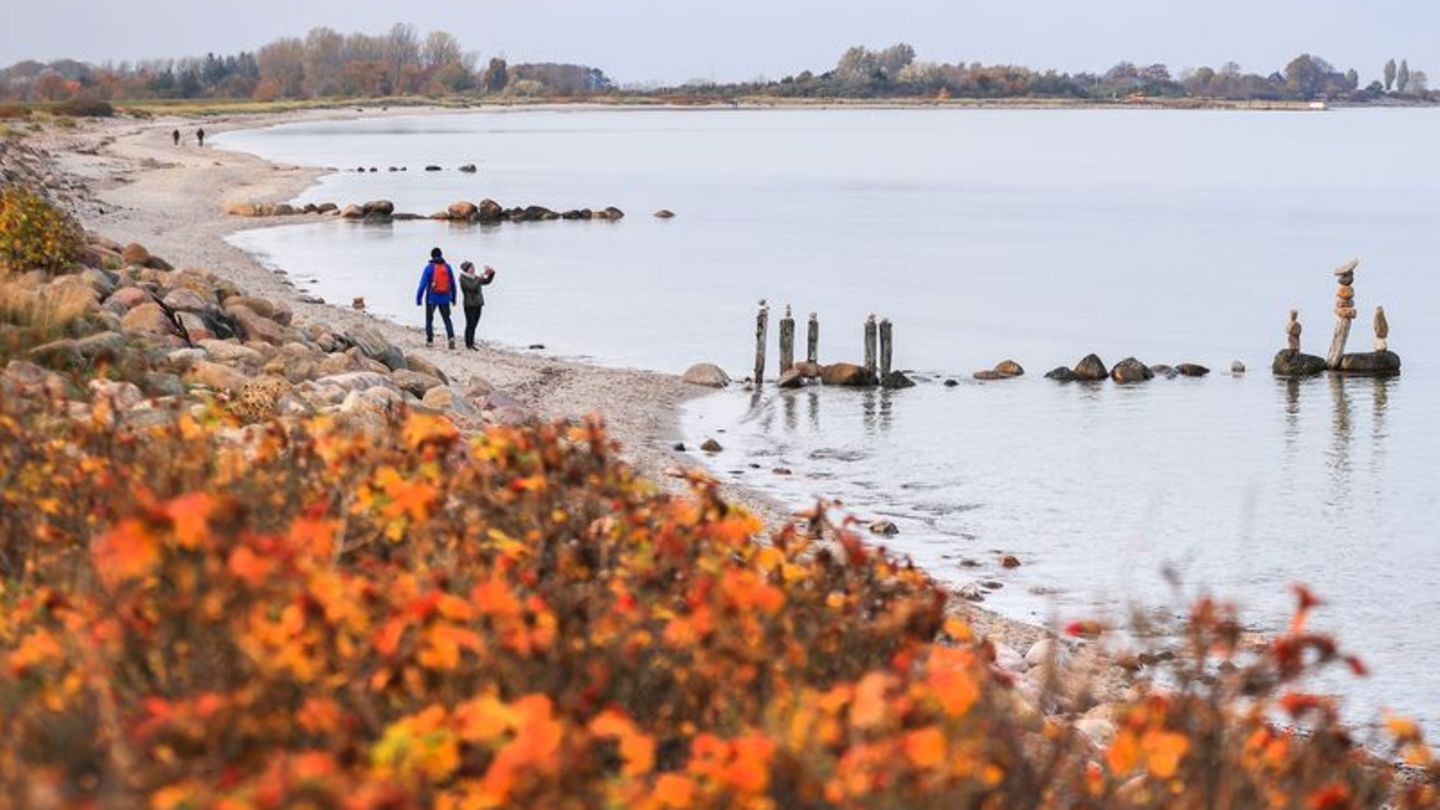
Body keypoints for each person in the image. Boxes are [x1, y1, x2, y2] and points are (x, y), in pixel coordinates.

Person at [415, 247, 458, 349]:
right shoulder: (447, 267)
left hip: (431, 298)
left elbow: (422, 285)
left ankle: (430, 340)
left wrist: (419, 299)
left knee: (429, 319)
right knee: (447, 319)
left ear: (432, 256)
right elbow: (452, 284)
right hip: (445, 298)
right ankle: (451, 337)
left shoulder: (429, 268)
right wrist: (453, 298)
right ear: (441, 254)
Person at [458, 261, 496, 350]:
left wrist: (491, 273)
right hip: (469, 305)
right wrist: (481, 276)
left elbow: (487, 282)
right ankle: (468, 344)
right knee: (470, 324)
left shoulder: (475, 277)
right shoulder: (463, 278)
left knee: (474, 324)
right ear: (466, 269)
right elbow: (472, 287)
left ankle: (471, 342)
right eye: (471, 268)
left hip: (478, 304)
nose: (473, 269)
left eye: (473, 267)